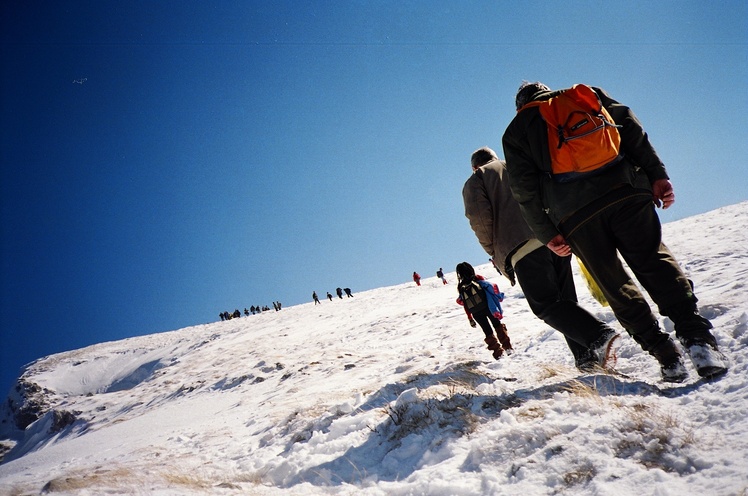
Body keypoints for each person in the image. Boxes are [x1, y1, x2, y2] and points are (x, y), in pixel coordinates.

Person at [502, 81, 728, 381]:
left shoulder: (517, 129)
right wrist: (657, 174)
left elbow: (524, 190)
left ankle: (665, 354)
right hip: (626, 190)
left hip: (575, 216)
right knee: (654, 261)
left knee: (614, 283)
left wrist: (547, 234)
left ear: (520, 105)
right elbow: (632, 130)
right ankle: (699, 342)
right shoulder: (584, 95)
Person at [463, 146, 619, 371]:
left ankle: (599, 336)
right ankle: (586, 360)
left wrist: (494, 252)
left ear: (475, 166)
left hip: (522, 247)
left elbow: (480, 220)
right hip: (554, 239)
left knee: (545, 305)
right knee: (566, 303)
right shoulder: (519, 163)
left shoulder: (477, 180)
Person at [455, 262, 512, 359]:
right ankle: (508, 348)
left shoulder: (461, 287)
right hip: (488, 307)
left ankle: (498, 353)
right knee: (497, 325)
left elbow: (465, 304)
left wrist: (470, 318)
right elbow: (490, 288)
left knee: (487, 331)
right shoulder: (478, 278)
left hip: (476, 313)